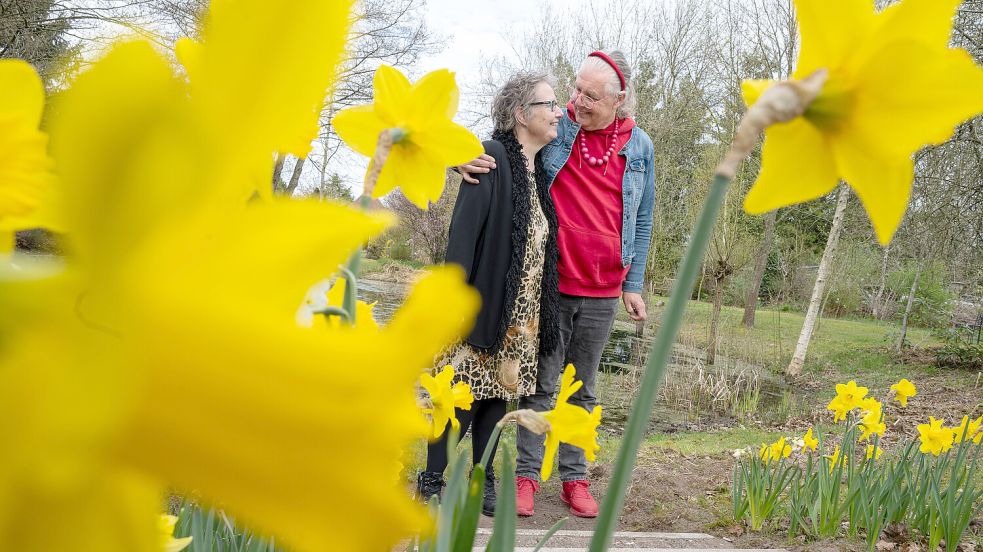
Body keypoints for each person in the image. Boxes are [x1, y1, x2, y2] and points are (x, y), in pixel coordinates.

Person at [458, 50, 656, 519]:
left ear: (618, 99)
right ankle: (527, 476)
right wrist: (460, 159)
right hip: (552, 281)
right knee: (540, 385)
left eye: (589, 95)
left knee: (583, 390)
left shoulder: (640, 146)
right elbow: (508, 146)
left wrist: (635, 281)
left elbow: (642, 217)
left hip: (605, 287)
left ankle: (574, 479)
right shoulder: (558, 127)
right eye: (574, 89)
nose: (575, 101)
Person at [417, 72, 562, 517]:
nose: (559, 113)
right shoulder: (492, 157)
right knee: (459, 393)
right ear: (521, 114)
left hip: (521, 316)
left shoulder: (538, 172)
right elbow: (463, 233)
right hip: (482, 306)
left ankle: (483, 474)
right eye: (549, 105)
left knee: (498, 396)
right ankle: (432, 478)